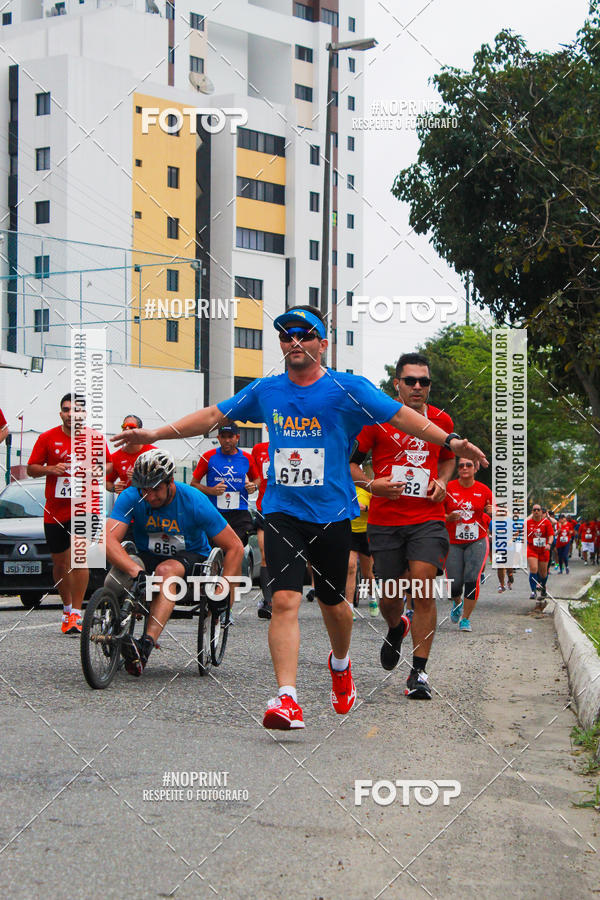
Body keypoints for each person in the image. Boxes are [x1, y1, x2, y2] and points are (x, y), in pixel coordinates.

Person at [113, 306, 488, 728]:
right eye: (287, 335)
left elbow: (401, 416)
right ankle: (287, 698)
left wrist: (452, 441)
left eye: (305, 335)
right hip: (281, 512)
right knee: (286, 601)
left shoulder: (348, 389)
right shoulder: (266, 390)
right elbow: (214, 416)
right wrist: (154, 434)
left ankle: (341, 664)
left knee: (335, 607)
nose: (295, 342)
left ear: (322, 344)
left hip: (331, 514)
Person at [349, 353, 458, 701]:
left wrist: (442, 481)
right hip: (385, 522)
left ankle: (419, 672)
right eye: (409, 380)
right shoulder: (375, 419)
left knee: (424, 585)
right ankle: (397, 627)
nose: (417, 387)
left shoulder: (441, 419)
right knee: (390, 598)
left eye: (423, 381)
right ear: (397, 383)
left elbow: (450, 456)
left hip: (427, 519)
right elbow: (350, 465)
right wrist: (371, 485)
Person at [105, 448, 244, 676]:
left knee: (165, 570)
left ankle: (145, 646)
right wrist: (134, 571)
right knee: (116, 576)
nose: (149, 497)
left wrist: (224, 589)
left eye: (155, 489)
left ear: (170, 482)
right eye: (144, 490)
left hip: (189, 556)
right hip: (146, 553)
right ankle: (112, 621)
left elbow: (234, 546)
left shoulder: (193, 500)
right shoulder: (131, 496)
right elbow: (108, 538)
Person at [27, 393, 110, 634]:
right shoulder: (47, 438)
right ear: (61, 413)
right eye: (66, 409)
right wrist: (51, 469)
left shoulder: (95, 438)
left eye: (76, 410)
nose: (70, 414)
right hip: (55, 511)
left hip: (86, 506)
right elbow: (31, 469)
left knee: (79, 556)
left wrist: (93, 469)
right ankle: (66, 608)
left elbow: (108, 465)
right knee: (60, 563)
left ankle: (76, 613)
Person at [444, 459, 493, 632]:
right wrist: (447, 518)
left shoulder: (484, 490)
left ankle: (466, 619)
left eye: (468, 465)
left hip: (477, 540)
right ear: (457, 469)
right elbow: (436, 513)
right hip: (453, 541)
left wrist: (492, 512)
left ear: (475, 468)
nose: (464, 468)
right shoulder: (448, 488)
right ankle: (457, 603)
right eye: (461, 465)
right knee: (455, 583)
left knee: (472, 579)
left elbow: (496, 511)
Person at [191, 421, 259, 547]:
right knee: (215, 549)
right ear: (218, 438)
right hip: (215, 512)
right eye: (223, 437)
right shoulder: (208, 457)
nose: (227, 440)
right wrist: (211, 490)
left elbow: (258, 479)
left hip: (239, 513)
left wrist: (253, 486)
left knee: (235, 547)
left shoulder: (246, 458)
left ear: (237, 437)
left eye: (230, 436)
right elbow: (193, 484)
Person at [345, 478, 376, 620]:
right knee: (350, 567)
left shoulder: (368, 488)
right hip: (350, 532)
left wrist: (366, 508)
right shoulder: (345, 487)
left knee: (367, 573)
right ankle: (349, 606)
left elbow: (378, 509)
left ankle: (372, 599)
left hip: (366, 533)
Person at [250, 437, 273, 619]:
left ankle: (283, 598)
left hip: (288, 509)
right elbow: (255, 477)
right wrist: (251, 485)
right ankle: (268, 602)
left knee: (283, 556)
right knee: (265, 554)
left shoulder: (293, 446)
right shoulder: (259, 449)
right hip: (264, 508)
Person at [106, 415, 156, 493]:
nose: (127, 429)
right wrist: (114, 488)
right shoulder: (115, 457)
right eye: (124, 427)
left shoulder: (153, 452)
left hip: (150, 501)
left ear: (140, 431)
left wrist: (142, 478)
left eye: (132, 427)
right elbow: (107, 482)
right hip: (126, 502)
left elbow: (164, 481)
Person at [526, 504, 554, 612]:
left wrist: (549, 544)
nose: (536, 511)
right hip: (532, 549)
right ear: (532, 512)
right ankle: (533, 590)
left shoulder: (546, 522)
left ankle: (543, 586)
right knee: (533, 569)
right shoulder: (528, 523)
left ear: (541, 511)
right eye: (534, 510)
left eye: (538, 510)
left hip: (544, 550)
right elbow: (522, 533)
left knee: (543, 574)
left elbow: (551, 535)